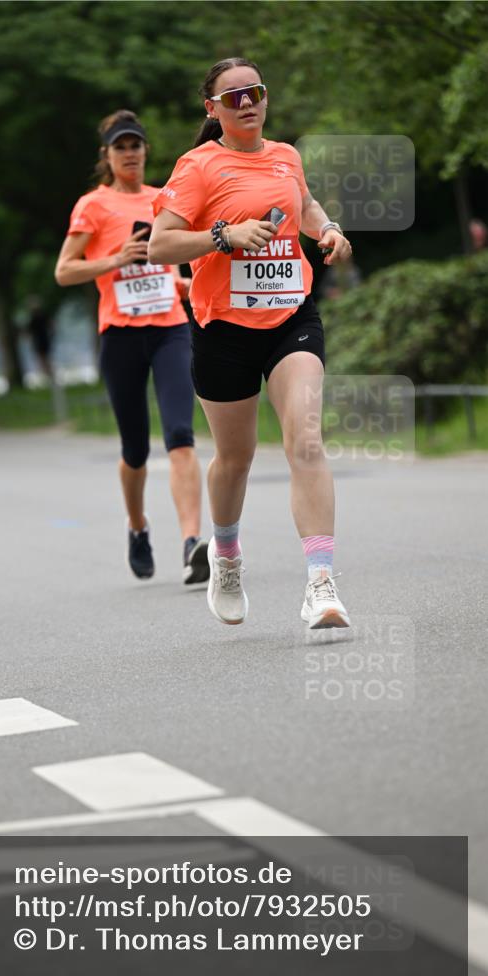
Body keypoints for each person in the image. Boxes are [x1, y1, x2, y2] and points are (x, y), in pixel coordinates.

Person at [149, 57, 354, 628]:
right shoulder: (198, 167)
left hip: (292, 317)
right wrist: (223, 236)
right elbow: (160, 247)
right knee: (235, 459)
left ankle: (321, 583)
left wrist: (329, 229)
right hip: (224, 330)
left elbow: (304, 206)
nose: (248, 103)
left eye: (255, 91)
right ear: (211, 109)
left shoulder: (286, 156)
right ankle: (228, 554)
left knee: (306, 440)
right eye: (233, 96)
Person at [55, 110, 209, 585]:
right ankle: (138, 526)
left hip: (169, 329)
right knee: (135, 448)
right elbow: (64, 271)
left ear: (145, 151)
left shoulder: (165, 199)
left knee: (180, 435)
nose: (131, 154)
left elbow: (173, 254)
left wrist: (181, 283)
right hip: (120, 335)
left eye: (136, 146)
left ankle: (191, 544)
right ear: (107, 156)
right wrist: (114, 259)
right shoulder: (93, 206)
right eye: (121, 147)